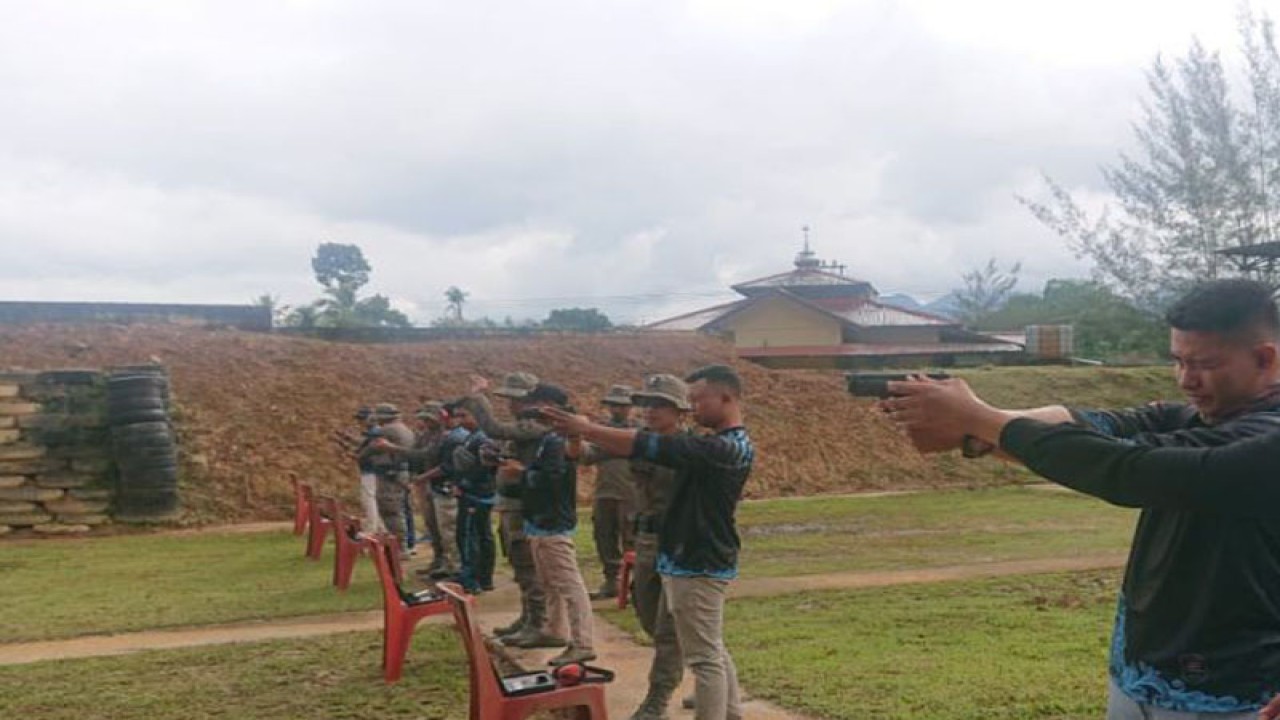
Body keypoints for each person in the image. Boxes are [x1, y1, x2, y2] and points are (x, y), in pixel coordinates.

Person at [885, 279, 1280, 719]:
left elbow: (1127, 472)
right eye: (1178, 361)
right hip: (1138, 680)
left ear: (1265, 359)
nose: (1187, 379)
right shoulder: (1197, 417)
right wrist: (973, 429)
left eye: (1205, 364)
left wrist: (981, 421)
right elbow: (1091, 426)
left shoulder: (1268, 442)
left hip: (1237, 697)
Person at [542, 364, 754, 720]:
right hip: (686, 555)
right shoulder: (717, 444)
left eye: (698, 399)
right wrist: (581, 433)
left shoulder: (722, 448)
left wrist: (586, 427)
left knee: (703, 659)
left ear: (727, 398)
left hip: (697, 558)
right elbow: (627, 446)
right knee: (707, 648)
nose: (695, 406)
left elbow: (648, 444)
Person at [459, 372, 556, 648]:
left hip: (524, 505)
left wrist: (478, 395)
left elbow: (493, 428)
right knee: (519, 564)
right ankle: (528, 618)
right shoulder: (524, 425)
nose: (511, 405)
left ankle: (538, 622)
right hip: (512, 503)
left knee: (528, 565)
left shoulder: (535, 424)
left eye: (516, 399)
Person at [505, 382, 596, 666]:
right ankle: (556, 631)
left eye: (536, 404)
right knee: (550, 582)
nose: (529, 409)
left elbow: (552, 481)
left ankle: (583, 642)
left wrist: (521, 474)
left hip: (552, 521)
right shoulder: (549, 439)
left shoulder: (556, 441)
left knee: (569, 585)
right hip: (541, 520)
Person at [624, 374, 692, 720]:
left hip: (679, 543)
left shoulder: (693, 448)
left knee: (670, 627)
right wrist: (575, 437)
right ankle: (708, 673)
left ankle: (658, 698)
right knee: (647, 612)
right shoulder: (639, 442)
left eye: (659, 405)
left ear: (680, 411)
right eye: (647, 404)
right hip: (647, 539)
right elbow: (589, 452)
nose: (650, 411)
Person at [579, 384, 638, 600]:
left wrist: (610, 448)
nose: (617, 409)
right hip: (605, 492)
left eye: (622, 405)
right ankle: (612, 581)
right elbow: (587, 454)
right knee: (604, 537)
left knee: (632, 539)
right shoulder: (602, 430)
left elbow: (635, 448)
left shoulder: (639, 429)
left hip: (631, 492)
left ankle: (635, 584)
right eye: (613, 405)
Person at [450, 405, 498, 593]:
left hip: (477, 494)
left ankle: (474, 579)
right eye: (458, 416)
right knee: (479, 535)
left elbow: (486, 467)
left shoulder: (482, 438)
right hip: (476, 492)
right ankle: (480, 578)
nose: (460, 420)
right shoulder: (473, 436)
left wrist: (463, 484)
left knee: (472, 537)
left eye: (464, 415)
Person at [364, 403, 416, 555]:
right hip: (401, 473)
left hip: (391, 474)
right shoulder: (404, 429)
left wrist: (360, 454)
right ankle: (404, 545)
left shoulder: (387, 430)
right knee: (402, 510)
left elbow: (370, 448)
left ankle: (399, 548)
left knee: (391, 511)